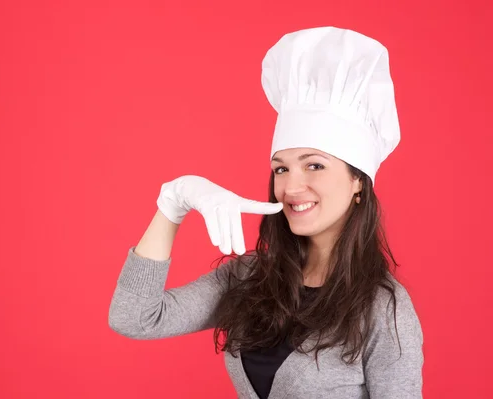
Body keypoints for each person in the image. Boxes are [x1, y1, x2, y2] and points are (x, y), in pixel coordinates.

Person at [108, 26, 424, 398]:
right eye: (281, 168)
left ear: (358, 181)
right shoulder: (249, 276)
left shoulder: (383, 310)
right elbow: (135, 318)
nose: (291, 186)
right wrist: (174, 201)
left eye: (315, 166)